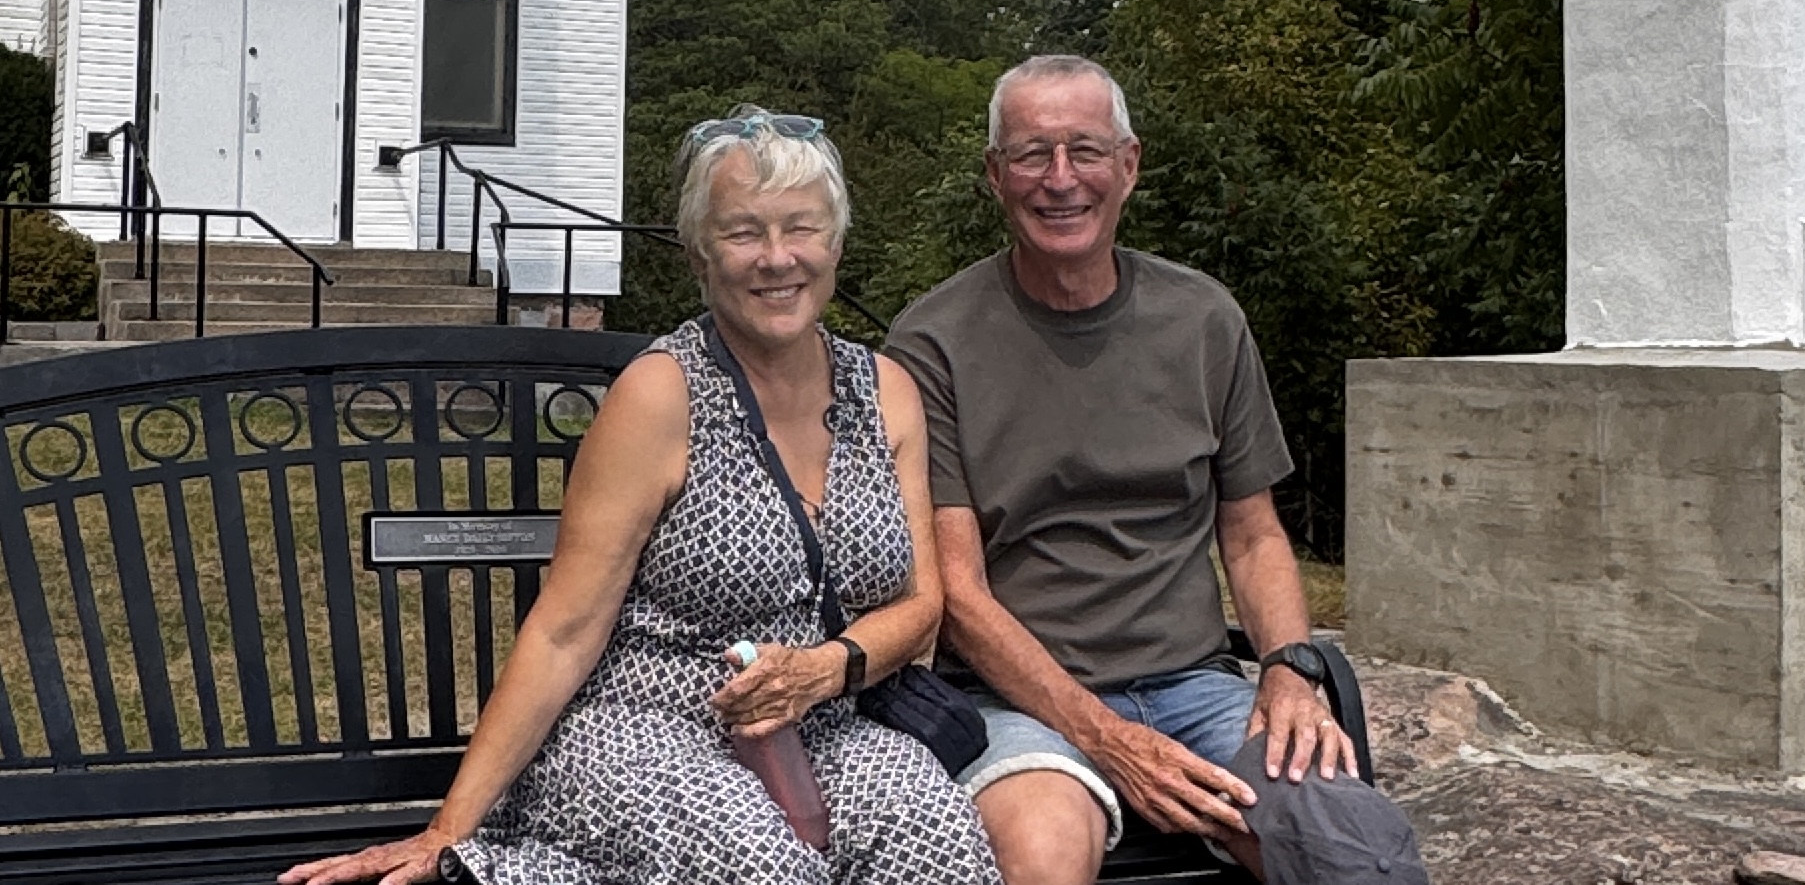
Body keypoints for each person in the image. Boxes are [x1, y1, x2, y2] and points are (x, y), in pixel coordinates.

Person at [280, 108, 1002, 885]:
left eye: (801, 228)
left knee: (937, 835)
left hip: (819, 720)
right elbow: (565, 629)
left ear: (837, 243)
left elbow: (920, 603)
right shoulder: (661, 394)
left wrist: (826, 669)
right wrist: (446, 830)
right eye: (743, 232)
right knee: (757, 866)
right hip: (647, 727)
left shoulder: (885, 391)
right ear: (699, 255)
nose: (777, 257)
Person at [883, 56, 1365, 885]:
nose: (1060, 178)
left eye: (1085, 150)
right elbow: (957, 591)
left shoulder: (1203, 319)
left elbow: (1253, 535)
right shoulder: (933, 342)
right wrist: (1107, 737)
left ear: (1129, 164)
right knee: (1041, 855)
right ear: (995, 175)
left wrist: (1290, 668)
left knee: (1351, 848)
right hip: (1016, 699)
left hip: (1196, 684)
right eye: (1031, 154)